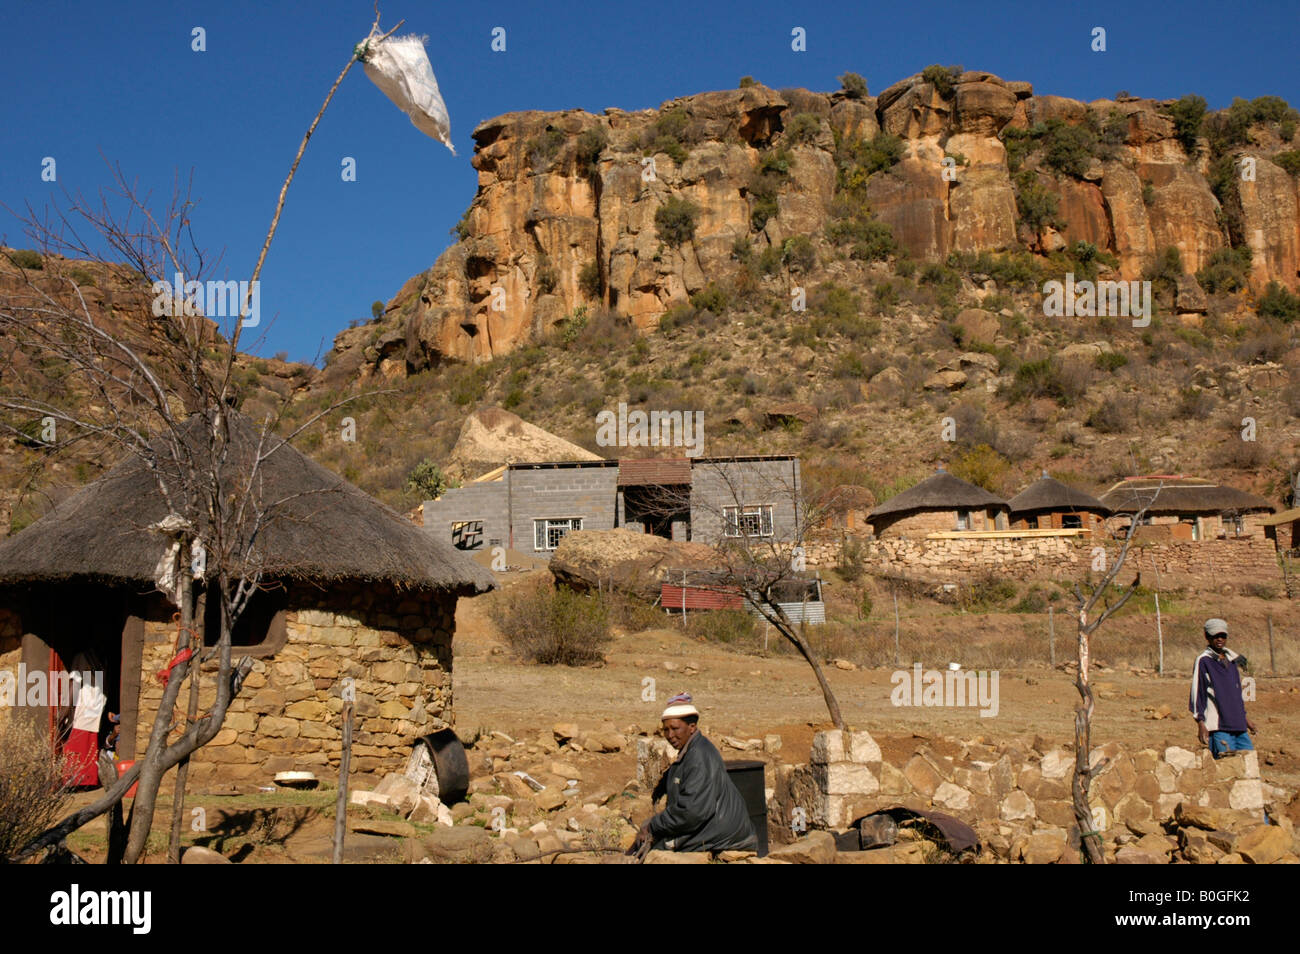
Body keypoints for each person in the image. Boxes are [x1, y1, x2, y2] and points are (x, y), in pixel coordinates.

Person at [634, 693, 758, 854]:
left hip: (724, 834)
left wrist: (653, 824)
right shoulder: (692, 750)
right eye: (666, 730)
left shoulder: (699, 756)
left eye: (675, 728)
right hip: (718, 828)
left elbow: (692, 812)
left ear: (692, 727)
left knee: (654, 852)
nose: (670, 735)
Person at [1189, 618, 1256, 759]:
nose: (1219, 639)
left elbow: (1235, 695)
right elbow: (1197, 693)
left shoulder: (1232, 660)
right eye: (1215, 636)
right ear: (1207, 636)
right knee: (1227, 769)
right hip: (1219, 727)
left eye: (1223, 636)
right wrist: (1200, 722)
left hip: (1239, 726)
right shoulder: (1204, 661)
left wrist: (1245, 719)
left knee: (1249, 766)